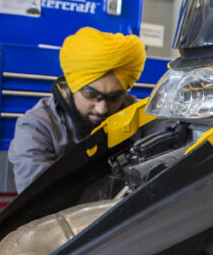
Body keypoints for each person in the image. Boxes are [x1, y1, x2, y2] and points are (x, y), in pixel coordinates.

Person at [8, 27, 145, 192]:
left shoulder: (139, 115)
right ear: (72, 86)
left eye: (114, 97)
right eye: (91, 94)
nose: (102, 109)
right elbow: (37, 200)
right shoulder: (37, 128)